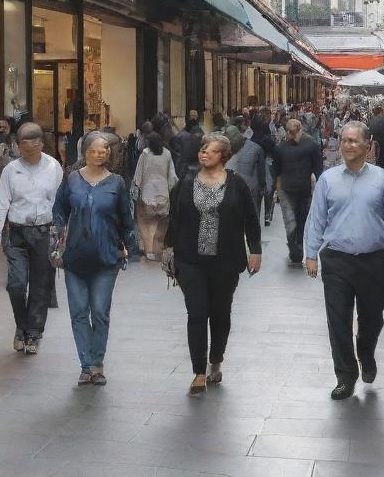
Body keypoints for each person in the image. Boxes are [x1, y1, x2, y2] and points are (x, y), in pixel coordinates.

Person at [304, 120, 384, 400]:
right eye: (343, 140)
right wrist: (311, 253)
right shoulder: (328, 179)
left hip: (373, 261)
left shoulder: (381, 179)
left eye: (354, 140)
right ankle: (345, 374)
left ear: (368, 145)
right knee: (338, 319)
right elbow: (316, 218)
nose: (347, 145)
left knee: (372, 319)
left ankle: (366, 351)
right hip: (337, 260)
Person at [164, 133, 262, 396]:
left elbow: (251, 219)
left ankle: (215, 359)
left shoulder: (237, 184)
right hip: (190, 259)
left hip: (225, 260)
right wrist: (168, 248)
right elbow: (174, 218)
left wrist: (255, 250)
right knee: (196, 312)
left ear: (224, 156)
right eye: (202, 149)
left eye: (211, 150)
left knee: (220, 313)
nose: (204, 153)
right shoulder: (186, 182)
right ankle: (198, 372)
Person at [53, 132, 138, 385]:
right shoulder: (72, 180)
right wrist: (59, 235)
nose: (101, 153)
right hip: (75, 257)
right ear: (85, 151)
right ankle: (86, 364)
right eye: (96, 149)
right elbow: (59, 209)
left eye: (105, 150)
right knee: (79, 312)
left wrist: (128, 248)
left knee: (99, 312)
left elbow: (126, 218)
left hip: (106, 256)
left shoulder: (117, 183)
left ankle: (97, 363)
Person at [0, 120, 63, 355]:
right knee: (16, 285)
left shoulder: (54, 167)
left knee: (41, 286)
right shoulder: (11, 170)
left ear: (41, 144)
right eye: (23, 146)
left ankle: (34, 333)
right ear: (18, 145)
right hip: (17, 233)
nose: (28, 150)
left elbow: (60, 203)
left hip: (45, 232)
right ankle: (21, 326)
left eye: (33, 145)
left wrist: (63, 233)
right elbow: (1, 201)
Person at [272, 117, 323, 268]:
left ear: (300, 130)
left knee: (300, 221)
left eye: (294, 132)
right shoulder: (281, 148)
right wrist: (277, 190)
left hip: (304, 190)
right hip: (287, 191)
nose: (292, 135)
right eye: (290, 132)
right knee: (291, 222)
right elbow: (277, 171)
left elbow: (318, 168)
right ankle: (295, 249)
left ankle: (297, 249)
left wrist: (319, 188)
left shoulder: (311, 146)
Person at [131, 130, 177, 261]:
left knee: (147, 223)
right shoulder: (167, 154)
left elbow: (138, 175)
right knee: (160, 223)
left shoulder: (145, 154)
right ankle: (157, 249)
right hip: (163, 193)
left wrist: (137, 189)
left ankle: (148, 250)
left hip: (148, 193)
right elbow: (172, 176)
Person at [225, 125, 265, 207]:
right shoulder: (256, 148)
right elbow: (261, 172)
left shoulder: (256, 148)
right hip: (248, 187)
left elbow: (261, 172)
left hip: (247, 188)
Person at [369, 104, 384, 171]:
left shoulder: (372, 120)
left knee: (377, 157)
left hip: (375, 141)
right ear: (380, 112)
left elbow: (370, 131)